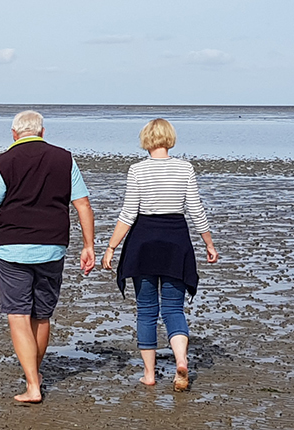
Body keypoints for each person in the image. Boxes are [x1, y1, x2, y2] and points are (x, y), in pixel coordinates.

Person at [0, 110, 97, 403]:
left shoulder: (4, 162)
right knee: (42, 315)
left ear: (14, 134)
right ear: (42, 132)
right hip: (52, 246)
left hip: (13, 247)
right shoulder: (64, 159)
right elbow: (83, 205)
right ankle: (34, 375)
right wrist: (88, 245)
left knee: (18, 315)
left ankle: (32, 385)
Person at [99, 118, 218, 392]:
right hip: (176, 240)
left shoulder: (137, 170)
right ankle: (181, 361)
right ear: (170, 139)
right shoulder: (185, 168)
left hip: (144, 241)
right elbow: (196, 210)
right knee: (174, 308)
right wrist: (209, 244)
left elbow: (128, 213)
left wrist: (111, 247)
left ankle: (150, 374)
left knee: (147, 310)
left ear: (146, 140)